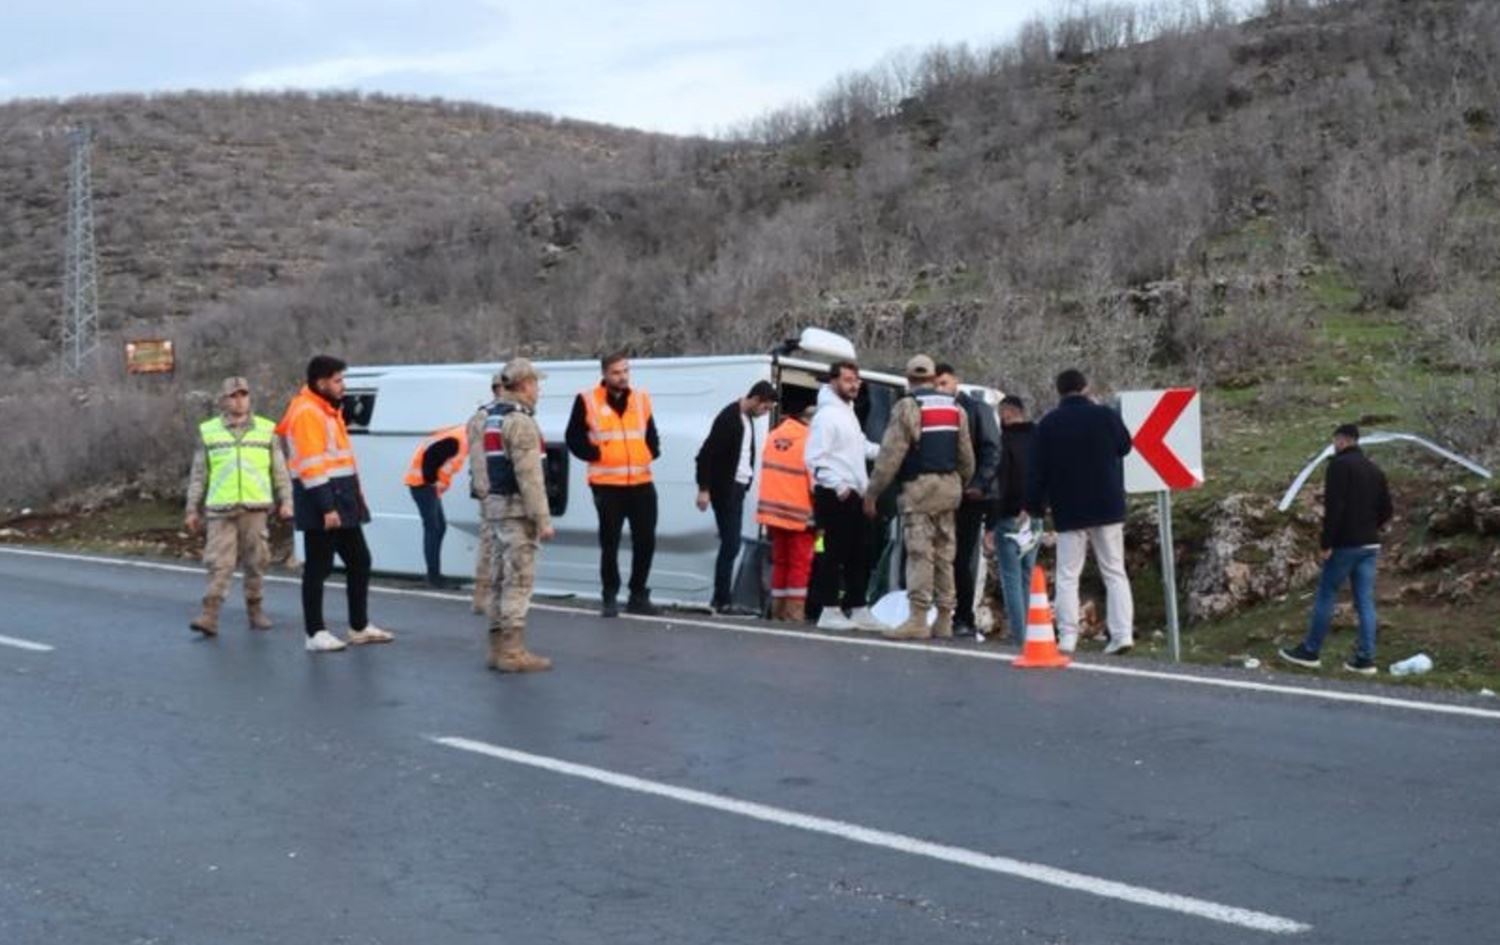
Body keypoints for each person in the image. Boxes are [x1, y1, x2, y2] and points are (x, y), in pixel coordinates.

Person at [277, 355, 394, 653]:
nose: (344, 386)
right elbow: (311, 465)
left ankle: (359, 626)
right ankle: (315, 632)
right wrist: (327, 507)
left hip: (341, 498)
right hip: (322, 500)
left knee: (359, 560)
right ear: (321, 383)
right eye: (338, 380)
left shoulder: (327, 410)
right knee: (318, 567)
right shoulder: (307, 413)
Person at [865, 355, 975, 640]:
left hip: (919, 490)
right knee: (945, 555)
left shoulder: (908, 407)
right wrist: (958, 483)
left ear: (908, 378)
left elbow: (890, 456)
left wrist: (873, 493)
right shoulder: (955, 408)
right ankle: (945, 618)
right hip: (949, 489)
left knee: (920, 554)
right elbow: (966, 458)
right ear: (933, 377)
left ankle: (918, 618)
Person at [1026, 368, 1135, 655]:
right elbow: (1125, 446)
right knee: (1114, 570)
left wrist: (1036, 506)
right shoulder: (1105, 415)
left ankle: (1067, 636)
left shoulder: (1048, 424)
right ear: (1086, 387)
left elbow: (1037, 470)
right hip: (1107, 503)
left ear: (1059, 391)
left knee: (1067, 574)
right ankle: (1122, 634)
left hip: (1069, 506)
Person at [1278, 424, 1393, 675]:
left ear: (1342, 440)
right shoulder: (1374, 469)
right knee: (1365, 601)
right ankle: (1365, 659)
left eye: (1335, 440)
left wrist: (1326, 543)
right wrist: (1370, 527)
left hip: (1345, 544)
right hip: (1370, 543)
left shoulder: (1338, 466)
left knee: (1326, 594)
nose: (1334, 445)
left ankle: (1310, 651)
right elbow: (1387, 509)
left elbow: (1335, 507)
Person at [185, 376, 293, 636]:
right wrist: (191, 509)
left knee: (256, 562)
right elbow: (199, 474)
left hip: (255, 507)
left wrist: (287, 501)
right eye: (233, 396)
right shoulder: (209, 431)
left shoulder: (266, 429)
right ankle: (209, 615)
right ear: (223, 400)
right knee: (219, 563)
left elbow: (280, 470)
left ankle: (255, 610)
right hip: (220, 509)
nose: (239, 400)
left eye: (243, 394)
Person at [470, 357, 556, 672]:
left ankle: (496, 647)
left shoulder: (484, 417)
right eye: (535, 384)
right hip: (517, 511)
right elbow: (530, 477)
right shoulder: (520, 422)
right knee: (519, 579)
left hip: (493, 509)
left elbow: (479, 470)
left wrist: (487, 502)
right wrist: (542, 519)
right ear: (524, 385)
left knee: (497, 578)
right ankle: (513, 652)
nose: (538, 390)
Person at [566, 350, 662, 617]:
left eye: (626, 371)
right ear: (605, 374)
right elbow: (573, 437)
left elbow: (650, 432)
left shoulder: (641, 399)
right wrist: (596, 454)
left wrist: (651, 451)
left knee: (646, 540)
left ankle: (638, 595)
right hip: (607, 484)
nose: (622, 377)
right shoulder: (587, 399)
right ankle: (609, 595)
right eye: (616, 372)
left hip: (641, 481)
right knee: (610, 543)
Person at [805, 361, 884, 632]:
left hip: (854, 493)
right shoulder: (826, 416)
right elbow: (814, 458)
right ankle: (828, 609)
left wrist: (887, 451)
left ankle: (858, 606)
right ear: (833, 381)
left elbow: (860, 446)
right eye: (848, 380)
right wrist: (838, 486)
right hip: (835, 494)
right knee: (832, 552)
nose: (854, 385)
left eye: (856, 380)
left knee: (858, 553)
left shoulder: (847, 413)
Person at [695, 380, 778, 614]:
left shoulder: (745, 419)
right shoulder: (729, 418)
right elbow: (706, 455)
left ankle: (723, 597)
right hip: (726, 488)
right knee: (730, 544)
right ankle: (721, 598)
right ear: (757, 399)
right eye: (766, 408)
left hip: (738, 487)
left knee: (731, 543)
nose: (765, 413)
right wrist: (704, 488)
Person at [934, 363, 1001, 637]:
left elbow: (992, 449)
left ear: (955, 382)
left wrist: (978, 484)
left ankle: (963, 616)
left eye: (944, 383)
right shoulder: (928, 409)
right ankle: (940, 612)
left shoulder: (976, 409)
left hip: (969, 496)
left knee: (961, 557)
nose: (940, 389)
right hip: (939, 493)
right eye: (936, 384)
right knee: (937, 555)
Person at [756, 397, 818, 622]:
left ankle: (778, 611)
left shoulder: (774, 435)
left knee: (781, 562)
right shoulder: (810, 440)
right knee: (799, 565)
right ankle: (793, 614)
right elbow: (815, 483)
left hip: (773, 513)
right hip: (800, 514)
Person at [987, 395, 1040, 644]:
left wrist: (991, 522)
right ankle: (1033, 631)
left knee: (1011, 577)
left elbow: (1002, 484)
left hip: (1009, 516)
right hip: (1034, 516)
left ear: (1007, 412)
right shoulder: (1039, 437)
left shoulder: (1004, 442)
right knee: (1027, 574)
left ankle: (1019, 634)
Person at [403, 423, 469, 589]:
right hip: (423, 486)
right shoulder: (458, 440)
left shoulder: (460, 434)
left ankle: (434, 574)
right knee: (433, 528)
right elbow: (430, 457)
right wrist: (432, 481)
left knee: (439, 527)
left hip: (424, 486)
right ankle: (433, 577)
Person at [465, 373, 504, 614]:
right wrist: (483, 487)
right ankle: (483, 597)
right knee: (490, 542)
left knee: (501, 543)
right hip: (491, 488)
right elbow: (477, 455)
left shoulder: (507, 413)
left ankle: (494, 596)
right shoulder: (484, 416)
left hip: (502, 487)